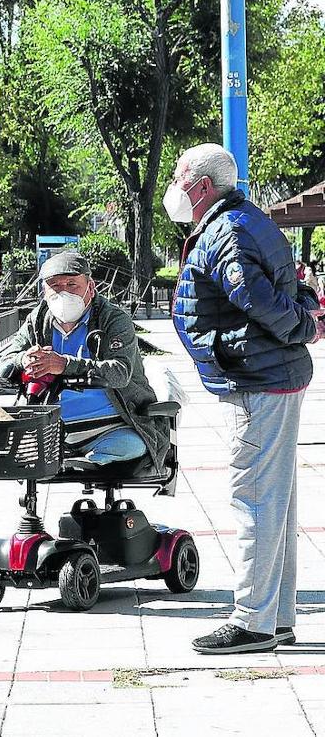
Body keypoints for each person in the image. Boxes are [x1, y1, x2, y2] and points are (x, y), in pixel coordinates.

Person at [167, 143, 324, 655]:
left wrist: (302, 326)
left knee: (255, 498)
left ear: (203, 185)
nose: (174, 188)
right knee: (274, 501)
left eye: (179, 178)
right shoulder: (242, 220)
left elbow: (257, 298)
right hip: (267, 376)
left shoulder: (227, 229)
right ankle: (275, 618)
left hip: (260, 380)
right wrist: (302, 321)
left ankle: (252, 620)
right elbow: (288, 288)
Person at [0, 251, 170, 471]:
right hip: (53, 428)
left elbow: (120, 372)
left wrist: (65, 365)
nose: (64, 292)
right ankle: (72, 459)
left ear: (91, 286)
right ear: (44, 291)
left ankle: (88, 460)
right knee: (9, 450)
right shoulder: (38, 319)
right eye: (55, 286)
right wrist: (23, 359)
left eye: (72, 284)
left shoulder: (113, 318)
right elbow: (4, 362)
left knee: (133, 446)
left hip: (112, 425)